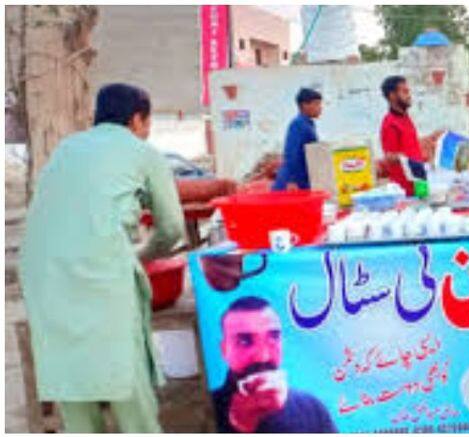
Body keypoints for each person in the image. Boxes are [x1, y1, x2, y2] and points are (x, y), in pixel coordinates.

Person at [20, 83, 185, 432]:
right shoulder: (144, 153)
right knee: (123, 374)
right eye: (147, 121)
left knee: (70, 372)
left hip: (40, 269)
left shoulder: (67, 149)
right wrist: (143, 254)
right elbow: (172, 228)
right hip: (100, 268)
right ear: (137, 119)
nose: (148, 129)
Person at [212, 296, 337, 433]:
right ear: (224, 350)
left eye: (273, 337)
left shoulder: (311, 409)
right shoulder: (208, 408)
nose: (263, 357)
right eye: (245, 341)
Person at [379, 75, 442, 196]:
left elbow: (409, 146)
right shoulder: (390, 124)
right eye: (404, 91)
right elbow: (390, 156)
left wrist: (429, 141)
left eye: (408, 91)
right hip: (404, 191)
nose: (409, 95)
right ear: (392, 96)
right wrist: (411, 162)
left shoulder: (406, 118)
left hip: (420, 183)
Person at [272, 88, 323, 191]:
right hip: (292, 184)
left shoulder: (308, 124)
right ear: (305, 105)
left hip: (302, 180)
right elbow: (291, 154)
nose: (320, 108)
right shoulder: (298, 124)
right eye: (316, 104)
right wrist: (292, 181)